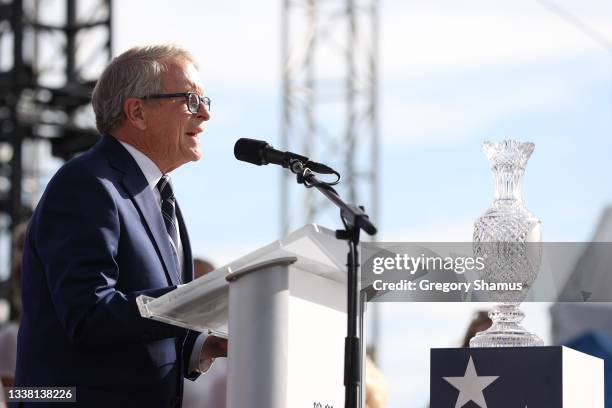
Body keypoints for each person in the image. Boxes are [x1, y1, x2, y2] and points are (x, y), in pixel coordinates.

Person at [14, 44, 227, 407]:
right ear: (138, 112)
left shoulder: (158, 196)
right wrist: (195, 302)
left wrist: (202, 345)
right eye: (191, 99)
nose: (204, 113)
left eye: (206, 100)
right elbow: (90, 314)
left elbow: (145, 315)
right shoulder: (87, 184)